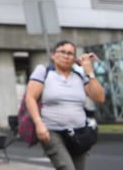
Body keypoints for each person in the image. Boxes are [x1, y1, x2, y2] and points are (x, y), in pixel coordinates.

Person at [24, 40, 106, 170]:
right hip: (52, 132)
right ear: (53, 55)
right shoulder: (43, 72)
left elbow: (100, 97)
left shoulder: (80, 75)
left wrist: (89, 72)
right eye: (62, 52)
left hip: (79, 133)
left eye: (70, 53)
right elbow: (30, 98)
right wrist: (39, 123)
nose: (66, 56)